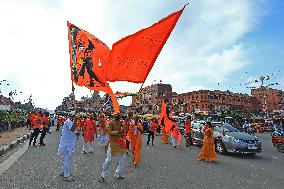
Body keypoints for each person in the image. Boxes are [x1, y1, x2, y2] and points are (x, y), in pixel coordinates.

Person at [99, 113, 127, 183]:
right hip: (112, 143)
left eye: (119, 115)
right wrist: (118, 132)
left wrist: (126, 122)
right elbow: (110, 132)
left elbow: (125, 129)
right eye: (117, 115)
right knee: (109, 160)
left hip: (119, 142)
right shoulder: (110, 122)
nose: (118, 116)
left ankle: (117, 174)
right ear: (114, 116)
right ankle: (103, 175)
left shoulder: (120, 122)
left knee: (123, 158)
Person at [58, 111, 79, 182]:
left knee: (68, 158)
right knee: (68, 158)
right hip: (67, 144)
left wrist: (77, 133)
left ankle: (64, 172)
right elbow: (72, 129)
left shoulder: (71, 121)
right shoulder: (68, 122)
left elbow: (74, 130)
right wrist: (76, 120)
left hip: (70, 143)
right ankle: (66, 175)